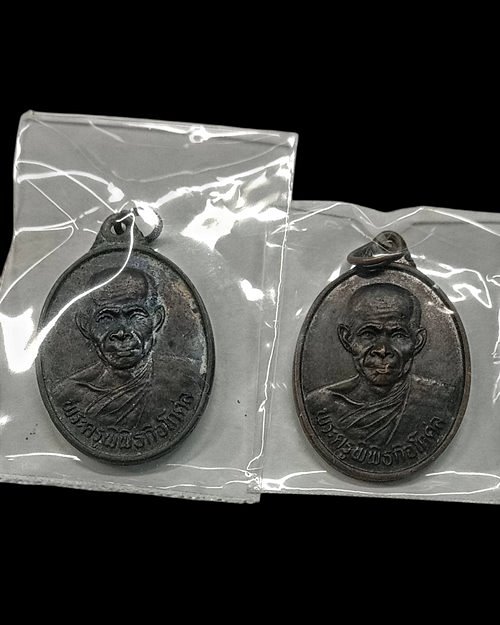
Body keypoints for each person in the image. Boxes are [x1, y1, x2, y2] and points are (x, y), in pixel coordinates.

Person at [52, 266, 203, 430]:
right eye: (106, 318)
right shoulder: (68, 394)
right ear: (85, 325)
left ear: (157, 320)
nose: (122, 332)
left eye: (135, 315)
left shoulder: (187, 379)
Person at [306, 283, 453, 447]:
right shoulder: (320, 404)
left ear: (417, 341)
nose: (382, 350)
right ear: (347, 338)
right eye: (368, 334)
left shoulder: (440, 401)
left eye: (398, 335)